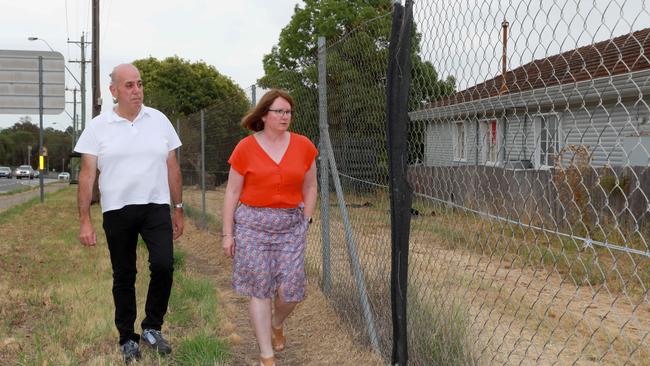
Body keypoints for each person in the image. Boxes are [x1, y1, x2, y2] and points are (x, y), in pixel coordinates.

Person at [75, 63, 184, 363]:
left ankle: (152, 327)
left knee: (163, 265)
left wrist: (178, 208)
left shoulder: (159, 121)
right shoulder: (98, 127)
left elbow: (172, 167)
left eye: (139, 84)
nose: (137, 90)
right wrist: (85, 219)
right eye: (129, 85)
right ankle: (127, 337)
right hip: (117, 210)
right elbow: (86, 175)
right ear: (114, 91)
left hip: (156, 206)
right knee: (124, 274)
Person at [222, 89, 318, 366]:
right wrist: (228, 234)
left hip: (291, 225)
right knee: (260, 288)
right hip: (252, 225)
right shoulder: (245, 148)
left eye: (288, 112)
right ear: (264, 115)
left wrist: (306, 218)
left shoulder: (303, 146)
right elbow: (231, 192)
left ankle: (277, 321)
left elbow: (310, 186)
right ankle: (267, 355)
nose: (285, 116)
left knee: (291, 289)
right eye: (279, 111)